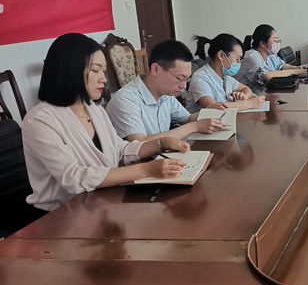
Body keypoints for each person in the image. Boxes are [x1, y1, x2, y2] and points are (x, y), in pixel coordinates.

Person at [21, 33, 188, 212]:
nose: (104, 78)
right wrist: (146, 170)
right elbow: (73, 177)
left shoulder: (94, 109)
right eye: (95, 70)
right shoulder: (40, 120)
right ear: (69, 70)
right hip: (62, 214)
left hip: (103, 201)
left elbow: (119, 150)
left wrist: (160, 144)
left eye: (104, 71)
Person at [107, 39, 225, 141]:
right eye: (180, 78)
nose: (184, 86)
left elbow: (188, 118)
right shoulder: (126, 100)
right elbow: (140, 143)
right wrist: (194, 127)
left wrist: (210, 112)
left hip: (164, 155)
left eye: (187, 79)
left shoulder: (165, 94)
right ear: (156, 69)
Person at [187, 33, 266, 112]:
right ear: (221, 55)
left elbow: (246, 89)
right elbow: (214, 109)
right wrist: (249, 104)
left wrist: (243, 96)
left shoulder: (225, 77)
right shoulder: (200, 79)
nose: (239, 64)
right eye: (237, 59)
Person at [235, 24, 306, 87]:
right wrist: (293, 71)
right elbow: (267, 75)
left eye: (277, 40)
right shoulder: (251, 56)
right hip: (245, 94)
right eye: (275, 41)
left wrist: (297, 68)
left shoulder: (270, 56)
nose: (277, 44)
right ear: (262, 43)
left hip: (263, 92)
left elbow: (281, 65)